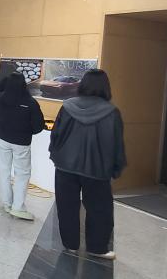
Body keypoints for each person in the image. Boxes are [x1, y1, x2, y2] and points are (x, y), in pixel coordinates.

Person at [49, 69, 125, 260]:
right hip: (97, 169)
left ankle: (70, 244)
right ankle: (97, 248)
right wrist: (116, 167)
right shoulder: (111, 112)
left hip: (65, 165)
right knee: (99, 209)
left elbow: (56, 134)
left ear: (82, 84)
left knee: (66, 206)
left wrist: (55, 154)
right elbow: (116, 143)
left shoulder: (67, 107)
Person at [0, 73, 45, 220]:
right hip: (21, 143)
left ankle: (7, 204)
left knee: (4, 172)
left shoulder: (1, 98)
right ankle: (18, 207)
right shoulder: (31, 103)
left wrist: (7, 79)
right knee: (22, 174)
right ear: (24, 85)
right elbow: (39, 126)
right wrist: (27, 132)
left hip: (3, 139)